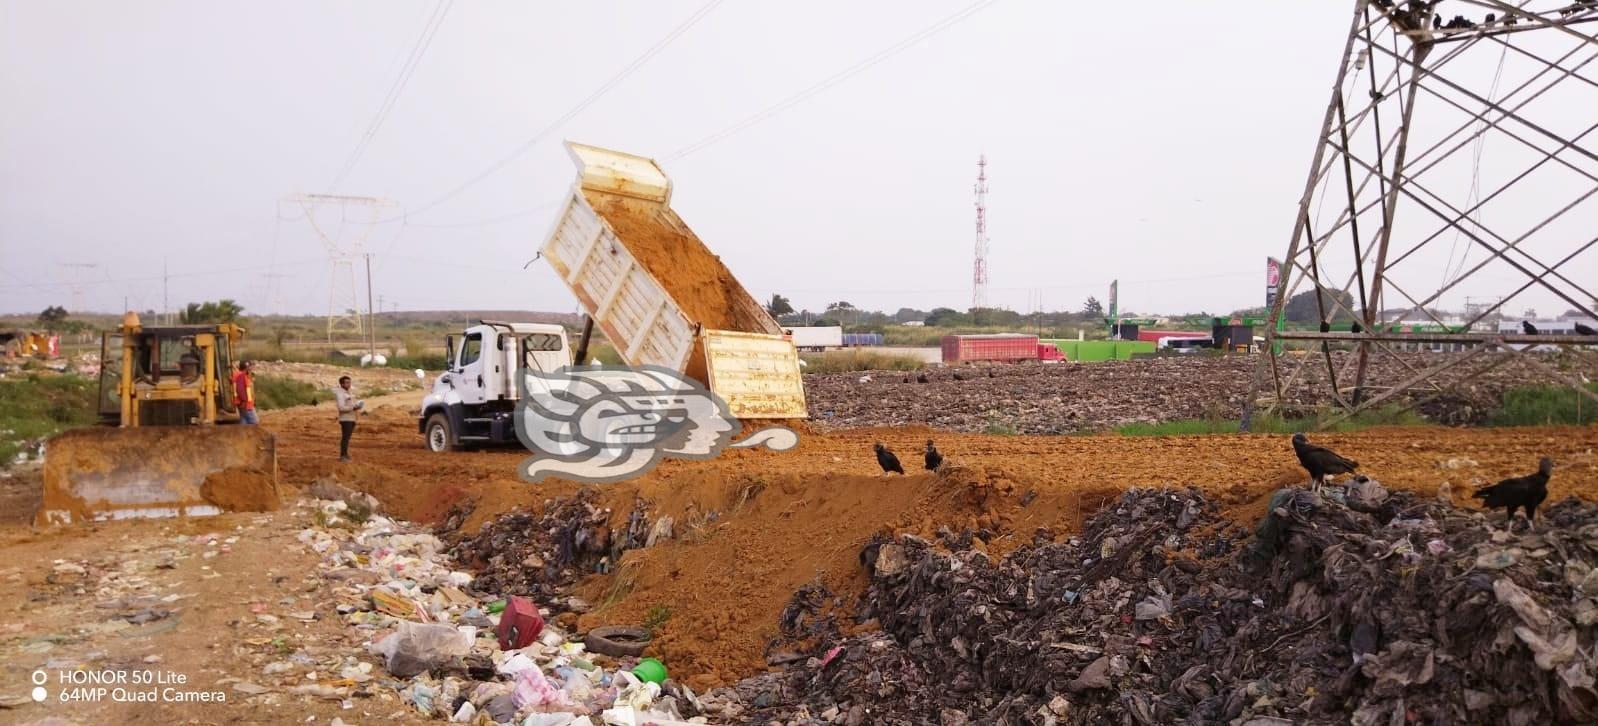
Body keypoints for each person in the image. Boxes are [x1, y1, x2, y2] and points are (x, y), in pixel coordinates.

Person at [333, 375, 364, 461]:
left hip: (352, 418)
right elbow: (341, 407)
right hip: (345, 419)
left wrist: (357, 406)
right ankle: (343, 456)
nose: (349, 384)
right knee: (345, 438)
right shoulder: (340, 394)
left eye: (349, 382)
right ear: (341, 384)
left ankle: (345, 454)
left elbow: (351, 404)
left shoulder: (349, 393)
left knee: (347, 438)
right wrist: (352, 408)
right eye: (346, 382)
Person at [233, 360, 258, 425]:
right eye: (250, 367)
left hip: (243, 403)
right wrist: (245, 401)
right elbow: (240, 390)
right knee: (254, 421)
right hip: (246, 404)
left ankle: (242, 434)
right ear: (246, 367)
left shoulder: (241, 375)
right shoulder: (241, 376)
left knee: (244, 421)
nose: (251, 368)